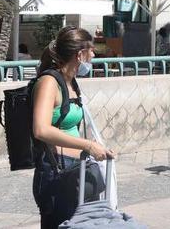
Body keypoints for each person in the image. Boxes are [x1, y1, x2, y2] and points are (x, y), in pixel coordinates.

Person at [30, 27, 115, 229]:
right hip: (56, 172)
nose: (94, 55)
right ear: (80, 54)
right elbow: (40, 129)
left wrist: (95, 149)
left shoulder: (71, 82)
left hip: (77, 170)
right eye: (91, 50)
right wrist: (87, 145)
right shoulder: (49, 83)